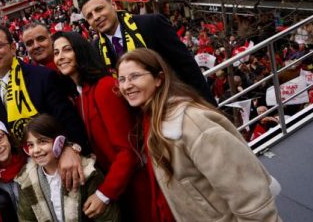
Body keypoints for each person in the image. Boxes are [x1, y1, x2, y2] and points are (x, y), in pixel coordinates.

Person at [116, 49, 281, 221]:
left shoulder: (193, 124)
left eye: (134, 76)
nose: (126, 85)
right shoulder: (153, 121)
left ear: (159, 79)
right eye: (122, 79)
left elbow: (250, 197)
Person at [51, 31, 152, 221]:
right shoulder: (80, 96)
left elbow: (128, 151)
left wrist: (103, 194)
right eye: (56, 53)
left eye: (67, 50)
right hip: (121, 189)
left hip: (136, 187)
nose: (60, 57)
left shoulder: (105, 87)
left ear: (80, 51)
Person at [0, 24, 89, 190]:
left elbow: (70, 121)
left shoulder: (42, 77)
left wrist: (71, 149)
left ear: (13, 48)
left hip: (59, 168)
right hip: (23, 178)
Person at [79, 0, 215, 105]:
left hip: (175, 104)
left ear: (113, 5)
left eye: (99, 9)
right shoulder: (95, 49)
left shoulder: (151, 24)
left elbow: (187, 67)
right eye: (89, 16)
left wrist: (209, 105)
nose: (96, 17)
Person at [16, 114, 120, 222]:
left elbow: (108, 218)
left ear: (58, 142)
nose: (36, 150)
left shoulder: (88, 172)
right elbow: (26, 218)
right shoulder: (27, 179)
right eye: (30, 145)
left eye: (42, 141)